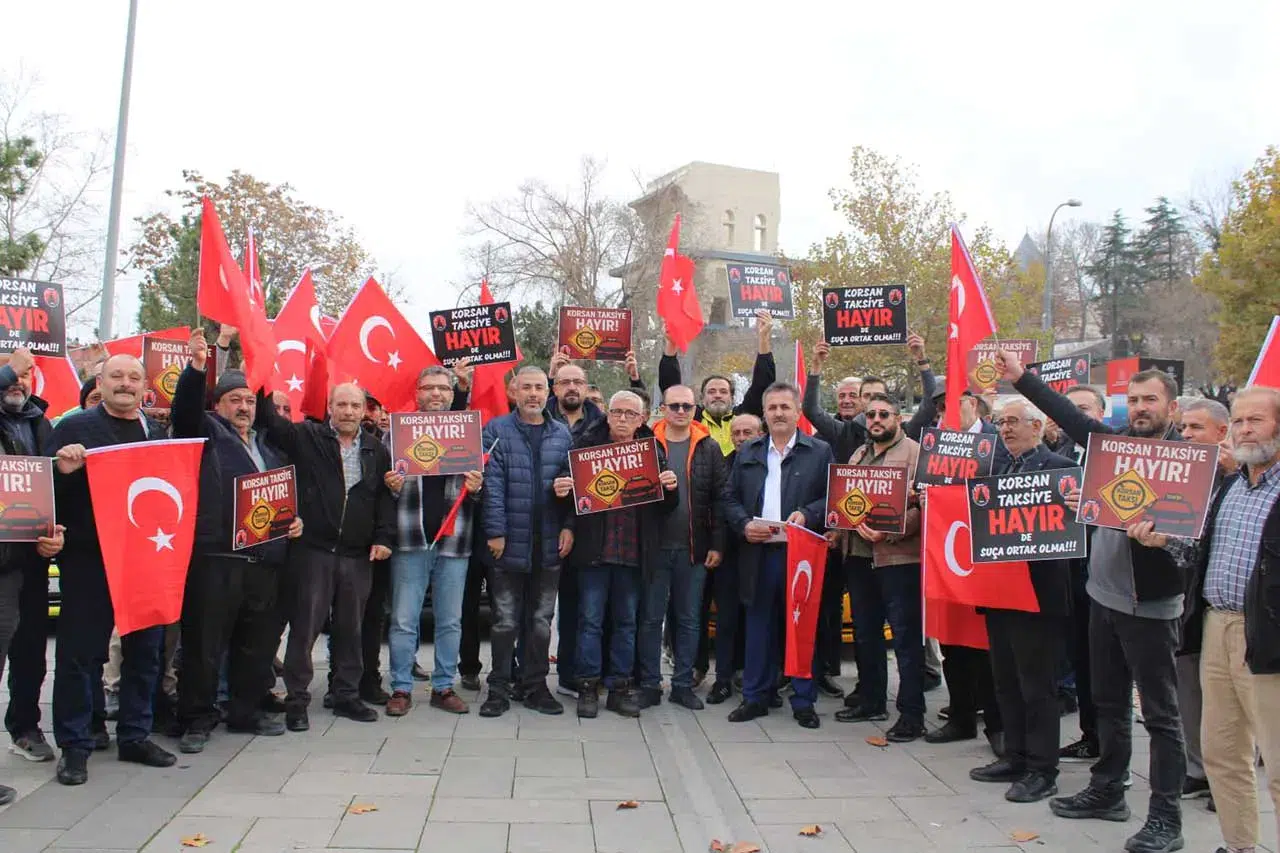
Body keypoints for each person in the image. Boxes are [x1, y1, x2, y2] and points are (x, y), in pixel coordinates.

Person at [998, 352, 1191, 853]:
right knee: (1107, 704)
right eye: (1134, 400)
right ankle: (1109, 789)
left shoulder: (1188, 462)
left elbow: (1194, 543)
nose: (1141, 407)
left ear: (1171, 406)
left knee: (1162, 718)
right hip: (1102, 596)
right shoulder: (1115, 446)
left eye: (1151, 400)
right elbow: (1070, 418)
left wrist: (1164, 543)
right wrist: (1022, 378)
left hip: (1149, 605)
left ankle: (1166, 818)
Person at [46, 353, 177, 785]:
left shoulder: (154, 432)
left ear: (145, 388)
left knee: (145, 653)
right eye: (117, 376)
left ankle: (135, 734)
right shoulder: (72, 429)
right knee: (80, 654)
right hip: (89, 560)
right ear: (98, 383)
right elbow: (41, 491)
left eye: (134, 377)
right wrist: (61, 471)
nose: (126, 383)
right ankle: (75, 744)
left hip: (145, 558)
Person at [170, 331, 299, 753]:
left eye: (248, 400)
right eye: (234, 400)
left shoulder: (270, 448)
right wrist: (198, 366)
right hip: (216, 559)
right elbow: (186, 409)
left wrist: (292, 523)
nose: (243, 407)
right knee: (205, 643)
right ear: (219, 404)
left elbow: (283, 497)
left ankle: (245, 712)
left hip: (264, 562)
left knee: (256, 642)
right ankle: (197, 718)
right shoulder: (204, 433)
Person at [254, 381, 396, 731]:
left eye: (355, 405)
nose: (348, 412)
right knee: (305, 629)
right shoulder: (307, 437)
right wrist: (258, 381)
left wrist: (383, 537)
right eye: (341, 404)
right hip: (313, 551)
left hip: (356, 554)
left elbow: (382, 499)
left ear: (364, 411)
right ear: (329, 407)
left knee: (352, 628)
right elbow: (270, 421)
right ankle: (297, 700)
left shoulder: (376, 450)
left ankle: (346, 695)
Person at [1180, 387, 1280, 853]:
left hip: (1268, 638)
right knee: (1222, 753)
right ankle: (1238, 846)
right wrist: (1164, 541)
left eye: (1255, 421)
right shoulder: (1230, 486)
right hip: (1216, 628)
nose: (1244, 430)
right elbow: (1201, 551)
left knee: (1278, 765)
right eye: (1238, 421)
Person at [965, 400, 1075, 804]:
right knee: (1006, 681)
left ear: (1037, 425)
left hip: (1037, 595)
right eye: (1001, 422)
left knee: (1037, 685)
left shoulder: (1058, 469)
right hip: (999, 593)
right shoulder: (997, 469)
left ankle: (1042, 769)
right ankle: (1015, 755)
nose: (1005, 429)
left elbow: (1066, 531)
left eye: (1013, 422)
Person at [554, 390, 679, 718]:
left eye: (630, 414)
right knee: (590, 621)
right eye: (617, 412)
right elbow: (571, 503)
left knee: (626, 623)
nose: (623, 419)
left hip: (634, 553)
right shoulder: (585, 446)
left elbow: (666, 508)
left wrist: (671, 488)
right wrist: (562, 493)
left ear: (642, 420)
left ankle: (619, 687)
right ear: (607, 414)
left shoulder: (653, 450)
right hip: (593, 552)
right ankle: (587, 687)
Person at [722, 382, 834, 729]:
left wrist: (809, 513)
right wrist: (742, 525)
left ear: (797, 411)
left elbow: (833, 497)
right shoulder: (749, 451)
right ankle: (755, 696)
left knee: (800, 628)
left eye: (785, 407)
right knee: (758, 627)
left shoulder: (819, 450)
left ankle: (803, 700)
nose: (779, 413)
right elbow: (729, 497)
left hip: (800, 554)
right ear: (764, 414)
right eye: (772, 408)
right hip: (759, 552)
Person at [383, 365, 483, 717]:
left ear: (451, 393)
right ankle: (400, 686)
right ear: (418, 392)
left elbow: (481, 494)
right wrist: (391, 490)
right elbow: (382, 495)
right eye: (429, 388)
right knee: (404, 619)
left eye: (443, 388)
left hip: (454, 541)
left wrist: (476, 489)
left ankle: (443, 686)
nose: (437, 394)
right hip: (411, 539)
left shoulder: (467, 435)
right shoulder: (395, 434)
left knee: (450, 619)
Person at [479, 366, 575, 718]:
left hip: (549, 544)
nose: (533, 394)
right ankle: (499, 689)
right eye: (526, 388)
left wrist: (569, 526)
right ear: (513, 392)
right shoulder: (497, 430)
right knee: (504, 621)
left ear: (547, 392)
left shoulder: (562, 434)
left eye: (539, 387)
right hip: (508, 542)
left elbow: (574, 486)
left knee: (540, 621)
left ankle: (535, 686)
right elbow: (492, 486)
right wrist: (495, 532)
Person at [832, 393, 928, 742]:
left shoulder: (915, 454)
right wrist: (837, 525)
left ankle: (911, 714)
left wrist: (893, 528)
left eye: (883, 414)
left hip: (898, 559)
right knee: (866, 633)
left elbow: (927, 505)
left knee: (904, 638)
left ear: (898, 418)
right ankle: (872, 700)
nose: (876, 420)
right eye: (870, 414)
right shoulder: (859, 453)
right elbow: (846, 499)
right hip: (858, 555)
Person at [641, 385, 725, 710]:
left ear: (695, 409)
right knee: (650, 619)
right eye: (674, 405)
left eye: (686, 406)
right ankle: (649, 684)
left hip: (694, 549)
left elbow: (720, 500)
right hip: (653, 548)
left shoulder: (709, 447)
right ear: (663, 408)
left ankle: (682, 684)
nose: (680, 411)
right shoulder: (645, 443)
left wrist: (717, 544)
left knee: (689, 620)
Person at [0, 347, 58, 765]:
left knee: (31, 650)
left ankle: (24, 725)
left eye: (24, 375)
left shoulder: (40, 422)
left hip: (33, 556)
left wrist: (56, 531)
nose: (18, 381)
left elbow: (52, 485)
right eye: (10, 375)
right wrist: (8, 369)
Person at [1173, 397, 1232, 805]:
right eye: (1184, 429)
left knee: (1227, 700)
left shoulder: (1238, 478)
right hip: (1186, 598)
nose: (1188, 436)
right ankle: (1198, 768)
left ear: (1221, 433)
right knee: (1188, 689)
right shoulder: (1177, 474)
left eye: (1196, 428)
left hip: (1227, 607)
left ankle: (1227, 778)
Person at [657, 309, 777, 455]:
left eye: (723, 391)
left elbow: (762, 385)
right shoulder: (692, 417)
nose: (717, 395)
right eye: (711, 391)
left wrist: (763, 338)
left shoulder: (743, 417)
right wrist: (671, 346)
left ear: (732, 398)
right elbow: (672, 391)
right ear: (702, 398)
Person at [703, 414, 762, 705]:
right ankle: (722, 679)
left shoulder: (771, 463)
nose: (741, 437)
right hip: (728, 554)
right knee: (726, 620)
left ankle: (759, 680)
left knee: (759, 620)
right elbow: (716, 507)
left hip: (763, 554)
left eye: (747, 432)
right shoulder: (722, 463)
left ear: (759, 433)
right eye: (736, 432)